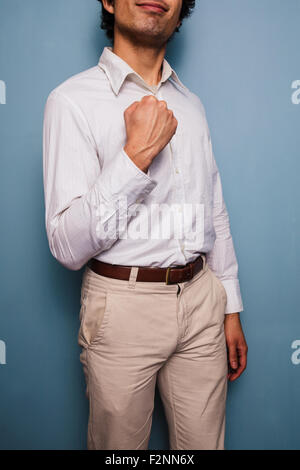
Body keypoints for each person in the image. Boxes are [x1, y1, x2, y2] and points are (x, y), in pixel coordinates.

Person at [43, 0, 248, 450]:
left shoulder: (191, 104)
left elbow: (213, 208)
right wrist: (135, 158)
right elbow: (65, 246)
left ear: (181, 10)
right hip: (122, 306)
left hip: (202, 301)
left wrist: (229, 307)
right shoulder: (71, 101)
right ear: (109, 2)